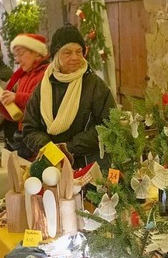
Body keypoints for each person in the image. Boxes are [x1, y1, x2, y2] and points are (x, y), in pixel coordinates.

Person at [22, 24, 116, 169]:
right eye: (67, 52)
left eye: (79, 52)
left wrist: (69, 148)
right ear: (55, 55)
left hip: (90, 166)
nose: (75, 57)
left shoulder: (95, 86)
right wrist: (50, 149)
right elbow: (30, 128)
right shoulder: (43, 87)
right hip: (52, 165)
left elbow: (108, 126)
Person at [0, 33, 50, 159]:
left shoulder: (48, 73)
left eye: (20, 54)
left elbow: (43, 102)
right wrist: (1, 105)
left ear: (37, 53)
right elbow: (17, 116)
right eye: (15, 55)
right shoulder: (22, 78)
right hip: (27, 141)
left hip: (44, 140)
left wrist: (16, 97)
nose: (17, 60)